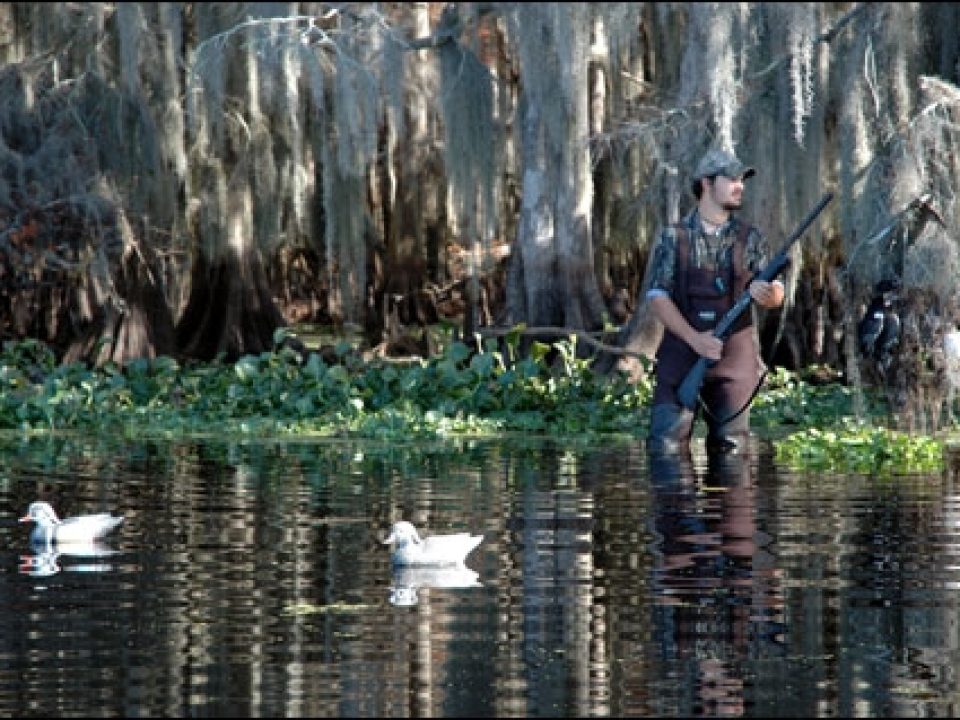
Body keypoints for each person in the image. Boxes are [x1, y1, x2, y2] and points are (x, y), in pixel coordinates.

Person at [645, 149, 785, 454]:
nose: (740, 186)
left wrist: (770, 294)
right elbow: (657, 297)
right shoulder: (673, 237)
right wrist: (695, 339)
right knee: (664, 448)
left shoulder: (751, 238)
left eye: (742, 180)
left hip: (734, 362)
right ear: (706, 184)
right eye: (732, 179)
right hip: (681, 357)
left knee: (732, 454)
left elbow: (776, 294)